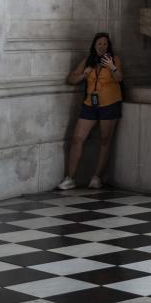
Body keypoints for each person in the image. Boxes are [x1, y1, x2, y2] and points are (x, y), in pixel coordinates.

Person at [58, 33, 122, 190]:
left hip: (110, 104)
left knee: (105, 139)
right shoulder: (87, 60)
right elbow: (71, 79)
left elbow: (120, 78)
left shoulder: (114, 59)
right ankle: (70, 178)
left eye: (105, 44)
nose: (102, 47)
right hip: (90, 105)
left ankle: (96, 177)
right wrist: (83, 74)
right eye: (99, 44)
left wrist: (112, 67)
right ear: (94, 46)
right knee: (77, 139)